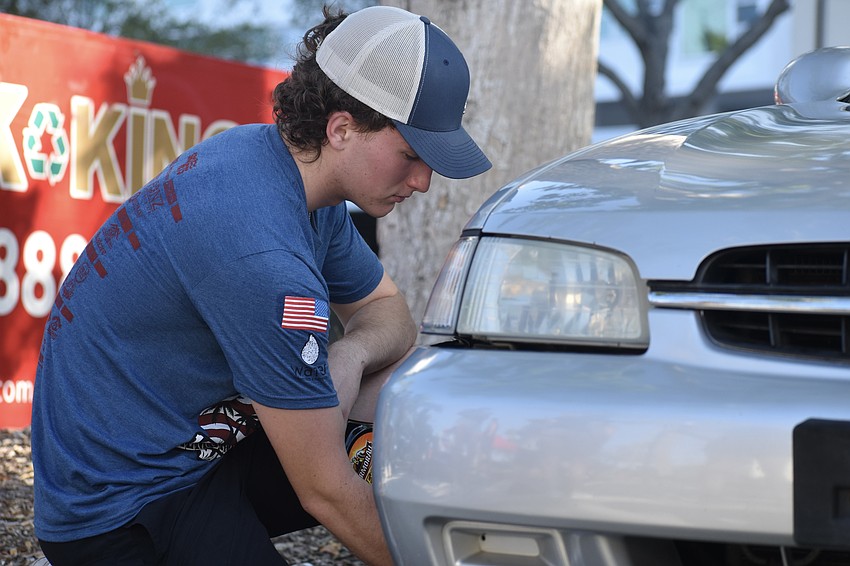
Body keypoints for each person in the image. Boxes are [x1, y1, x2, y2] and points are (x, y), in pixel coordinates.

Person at [30, 4, 491, 565]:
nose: (422, 181)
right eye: (412, 155)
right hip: (122, 507)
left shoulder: (282, 170)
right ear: (341, 128)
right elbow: (324, 491)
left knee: (404, 382)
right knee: (346, 469)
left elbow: (389, 313)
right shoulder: (261, 253)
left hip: (194, 449)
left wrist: (348, 356)